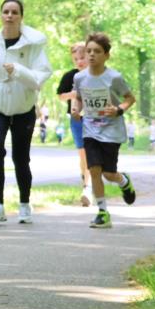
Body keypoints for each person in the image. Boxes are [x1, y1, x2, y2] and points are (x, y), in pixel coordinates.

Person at [0, 0, 52, 224]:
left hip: (23, 108)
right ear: (0, 15)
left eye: (15, 12)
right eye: (6, 11)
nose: (10, 16)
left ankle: (24, 204)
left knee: (21, 157)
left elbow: (39, 78)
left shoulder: (33, 46)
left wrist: (18, 71)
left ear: (21, 17)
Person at [71, 32, 137, 228]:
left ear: (106, 55)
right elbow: (79, 97)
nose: (91, 55)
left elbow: (130, 99)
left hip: (111, 131)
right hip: (90, 130)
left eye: (97, 51)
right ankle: (102, 212)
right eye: (88, 51)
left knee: (109, 173)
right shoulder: (80, 77)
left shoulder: (114, 77)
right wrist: (76, 108)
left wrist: (118, 110)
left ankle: (124, 181)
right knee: (94, 170)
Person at [56, 42, 92, 205]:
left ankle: (88, 188)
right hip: (76, 118)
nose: (79, 62)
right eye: (76, 59)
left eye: (82, 58)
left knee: (91, 151)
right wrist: (74, 94)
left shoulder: (96, 74)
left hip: (94, 118)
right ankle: (86, 183)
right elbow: (61, 96)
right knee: (83, 153)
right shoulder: (69, 76)